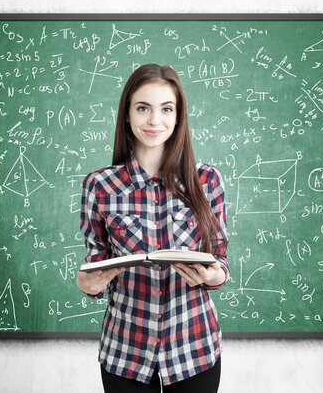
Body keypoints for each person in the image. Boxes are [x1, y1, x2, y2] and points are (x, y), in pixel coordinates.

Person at [77, 64, 229, 392]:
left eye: (166, 109)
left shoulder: (207, 181)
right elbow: (96, 263)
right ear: (128, 115)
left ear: (178, 117)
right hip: (125, 350)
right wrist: (88, 283)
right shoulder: (99, 186)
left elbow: (220, 260)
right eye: (143, 108)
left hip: (194, 347)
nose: (154, 120)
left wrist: (212, 275)